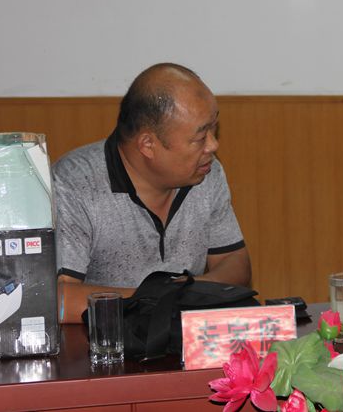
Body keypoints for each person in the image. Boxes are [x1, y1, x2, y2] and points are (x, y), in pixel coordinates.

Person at [53, 63, 251, 322]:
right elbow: (60, 299)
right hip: (105, 341)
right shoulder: (75, 184)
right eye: (200, 137)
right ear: (148, 144)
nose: (213, 145)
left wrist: (183, 297)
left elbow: (234, 262)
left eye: (213, 128)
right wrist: (158, 300)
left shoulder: (207, 173)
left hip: (183, 334)